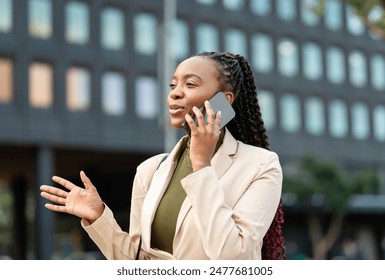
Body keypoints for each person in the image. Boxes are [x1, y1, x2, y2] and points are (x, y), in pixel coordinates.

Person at [40, 51, 286, 260]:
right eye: (173, 85)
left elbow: (234, 258)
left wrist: (201, 166)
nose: (175, 93)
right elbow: (139, 262)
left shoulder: (261, 165)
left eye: (190, 84)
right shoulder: (151, 170)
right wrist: (99, 218)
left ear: (224, 101)